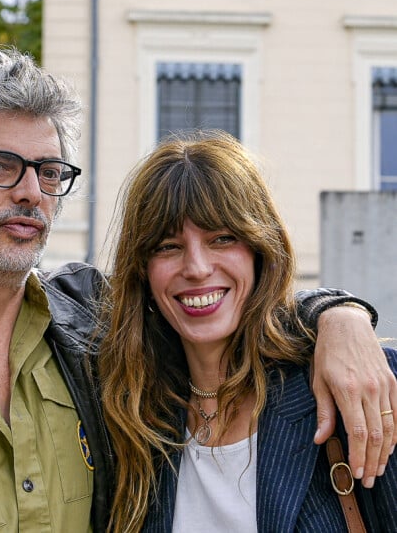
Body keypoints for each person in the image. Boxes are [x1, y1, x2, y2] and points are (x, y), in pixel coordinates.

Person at [0, 47, 393, 533]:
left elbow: (225, 302)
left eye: (48, 172)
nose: (31, 193)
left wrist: (338, 315)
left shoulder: (94, 328)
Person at [97, 130, 397, 533]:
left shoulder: (357, 385)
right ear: (142, 271)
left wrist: (341, 312)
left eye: (222, 238)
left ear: (260, 251)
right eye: (168, 246)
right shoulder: (128, 413)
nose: (197, 267)